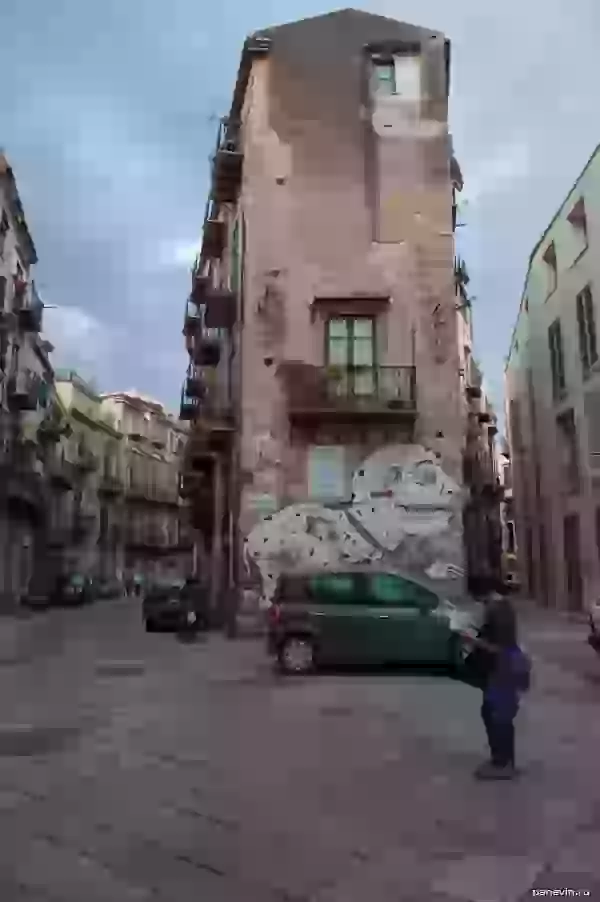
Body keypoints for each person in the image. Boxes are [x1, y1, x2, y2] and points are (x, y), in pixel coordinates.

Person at [461, 597, 531, 781]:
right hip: (500, 671)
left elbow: (500, 648)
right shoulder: (501, 609)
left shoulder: (500, 613)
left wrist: (473, 640)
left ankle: (503, 763)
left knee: (498, 716)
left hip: (503, 671)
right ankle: (500, 760)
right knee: (491, 712)